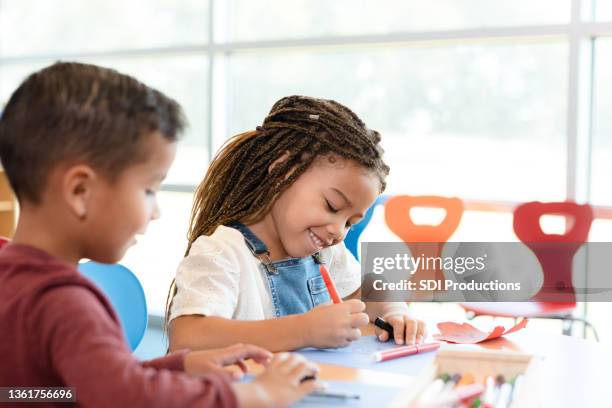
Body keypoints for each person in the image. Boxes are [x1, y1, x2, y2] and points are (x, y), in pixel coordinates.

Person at [0, 62, 320, 408]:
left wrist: (178, 366)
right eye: (149, 189)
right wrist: (252, 394)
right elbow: (123, 397)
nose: (155, 211)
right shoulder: (65, 301)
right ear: (80, 191)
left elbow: (49, 391)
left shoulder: (12, 276)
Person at [167, 95, 427, 353]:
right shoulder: (222, 253)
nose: (338, 231)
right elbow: (188, 337)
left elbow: (368, 293)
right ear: (283, 171)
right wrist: (305, 330)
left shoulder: (325, 252)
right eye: (332, 207)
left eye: (350, 223)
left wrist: (395, 311)